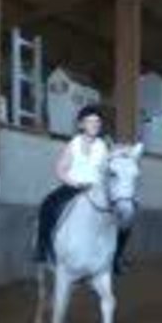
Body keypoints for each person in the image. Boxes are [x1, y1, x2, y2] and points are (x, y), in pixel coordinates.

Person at [35, 105, 129, 271]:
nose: (94, 125)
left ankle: (116, 257)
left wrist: (122, 152)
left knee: (124, 217)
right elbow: (60, 169)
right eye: (90, 121)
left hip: (97, 190)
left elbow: (113, 160)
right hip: (74, 187)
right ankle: (42, 249)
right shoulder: (74, 144)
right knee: (47, 204)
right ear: (81, 125)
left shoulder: (103, 145)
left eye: (97, 122)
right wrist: (72, 182)